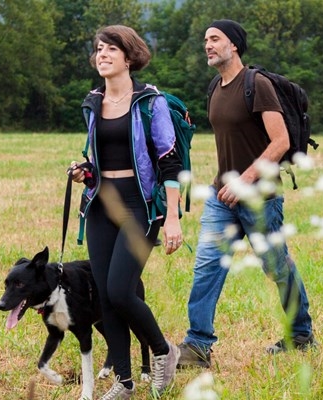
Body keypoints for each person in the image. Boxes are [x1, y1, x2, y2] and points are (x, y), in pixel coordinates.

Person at [176, 19, 317, 369]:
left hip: (260, 196)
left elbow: (280, 142)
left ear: (234, 45)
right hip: (221, 197)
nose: (207, 45)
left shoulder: (259, 85)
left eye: (215, 39)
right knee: (207, 267)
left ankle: (300, 334)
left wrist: (246, 180)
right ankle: (198, 345)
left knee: (275, 266)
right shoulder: (215, 86)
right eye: (205, 40)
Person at [69, 25, 181, 399]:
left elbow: (169, 163)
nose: (102, 55)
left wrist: (173, 219)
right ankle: (125, 381)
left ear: (129, 57)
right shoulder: (93, 102)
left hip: (139, 206)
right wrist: (86, 171)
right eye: (99, 49)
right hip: (102, 205)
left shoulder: (151, 103)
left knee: (120, 290)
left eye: (110, 49)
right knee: (104, 294)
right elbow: (99, 157)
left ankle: (165, 351)